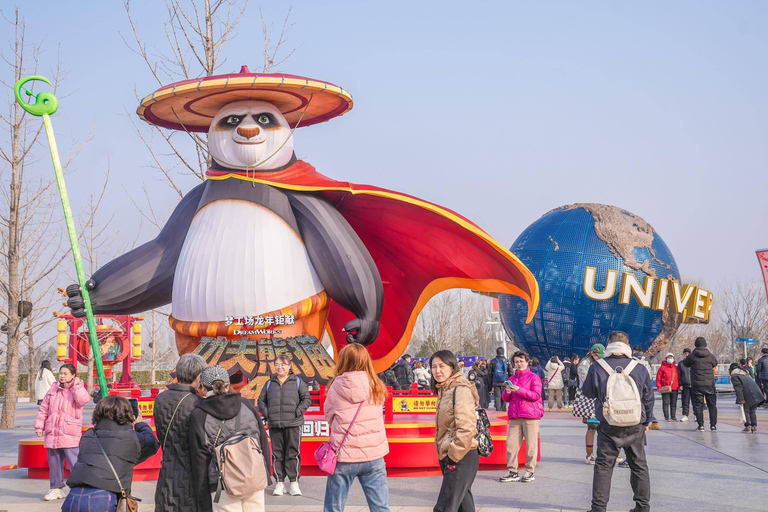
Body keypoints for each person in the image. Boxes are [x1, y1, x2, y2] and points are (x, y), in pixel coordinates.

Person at [582, 331, 654, 512]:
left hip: (608, 424)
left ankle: (598, 508)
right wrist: (646, 422)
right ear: (627, 345)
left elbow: (588, 393)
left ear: (609, 345)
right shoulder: (639, 368)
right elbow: (648, 398)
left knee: (604, 467)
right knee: (639, 466)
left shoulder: (598, 366)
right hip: (635, 424)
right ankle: (642, 507)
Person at [189, 365, 272, 512]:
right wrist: (265, 474)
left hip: (222, 486)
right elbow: (263, 442)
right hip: (253, 477)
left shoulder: (200, 415)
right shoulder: (246, 405)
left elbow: (200, 461)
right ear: (228, 385)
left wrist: (203, 498)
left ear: (202, 387)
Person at [323, 344, 390, 512]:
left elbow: (329, 417)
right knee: (380, 507)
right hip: (374, 455)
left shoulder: (335, 386)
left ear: (343, 361)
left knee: (334, 508)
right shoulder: (376, 384)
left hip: (344, 455)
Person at [62, 396, 160, 512]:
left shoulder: (88, 435)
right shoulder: (132, 438)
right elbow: (152, 444)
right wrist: (139, 423)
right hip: (102, 499)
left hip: (73, 498)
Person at [153, 353, 206, 512]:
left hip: (167, 470)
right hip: (191, 474)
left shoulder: (160, 399)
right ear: (198, 377)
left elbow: (162, 436)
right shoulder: (198, 403)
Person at [430, 350, 479, 511]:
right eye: (433, 367)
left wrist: (453, 455)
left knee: (443, 508)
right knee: (463, 507)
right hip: (450, 455)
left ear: (452, 367)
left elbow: (466, 427)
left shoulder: (460, 389)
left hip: (461, 456)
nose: (437, 371)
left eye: (442, 366)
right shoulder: (444, 389)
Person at [34, 363, 90, 501]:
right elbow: (43, 409)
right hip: (53, 432)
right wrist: (39, 426)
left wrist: (76, 386)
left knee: (74, 462)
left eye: (65, 373)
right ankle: (56, 488)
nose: (62, 376)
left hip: (69, 432)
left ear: (73, 375)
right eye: (61, 373)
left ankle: (80, 488)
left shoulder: (78, 389)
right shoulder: (53, 389)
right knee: (54, 462)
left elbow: (83, 400)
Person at [258, 353, 311, 496]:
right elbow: (261, 401)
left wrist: (297, 411)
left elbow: (306, 399)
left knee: (293, 453)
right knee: (277, 454)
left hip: (293, 424)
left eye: (283, 364)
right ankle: (279, 483)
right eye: (277, 364)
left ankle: (294, 483)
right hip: (275, 424)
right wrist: (267, 413)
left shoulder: (298, 381)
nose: (279, 367)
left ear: (289, 366)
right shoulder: (269, 383)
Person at [499, 351, 543, 484]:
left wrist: (519, 390)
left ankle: (530, 471)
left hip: (531, 416)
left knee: (531, 445)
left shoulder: (534, 377)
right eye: (516, 362)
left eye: (521, 361)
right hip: (515, 416)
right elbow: (506, 398)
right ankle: (513, 471)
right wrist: (507, 392)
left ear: (527, 362)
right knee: (511, 445)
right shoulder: (511, 379)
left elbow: (536, 395)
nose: (518, 364)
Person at [682, 337, 719, 431]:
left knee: (698, 405)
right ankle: (713, 425)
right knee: (712, 405)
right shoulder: (711, 356)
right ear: (705, 344)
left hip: (697, 384)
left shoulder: (692, 356)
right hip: (709, 384)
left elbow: (685, 364)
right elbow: (715, 363)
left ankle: (701, 425)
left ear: (695, 345)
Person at [578, 344, 604, 465]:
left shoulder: (600, 363)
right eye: (598, 355)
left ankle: (602, 453)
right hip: (589, 398)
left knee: (602, 427)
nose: (600, 358)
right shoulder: (584, 364)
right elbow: (586, 381)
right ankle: (590, 454)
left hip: (600, 398)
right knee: (592, 426)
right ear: (592, 353)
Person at [729, 362, 765, 433]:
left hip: (747, 393)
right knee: (753, 411)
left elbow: (738, 388)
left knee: (746, 410)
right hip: (757, 392)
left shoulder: (734, 376)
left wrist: (741, 399)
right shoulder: (745, 373)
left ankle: (748, 426)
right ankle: (754, 427)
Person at [656, 352, 679, 421]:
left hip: (675, 387)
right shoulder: (662, 368)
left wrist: (680, 385)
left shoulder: (676, 368)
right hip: (665, 387)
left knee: (673, 403)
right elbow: (658, 378)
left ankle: (673, 416)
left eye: (671, 357)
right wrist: (659, 386)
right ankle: (666, 417)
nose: (670, 359)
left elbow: (679, 377)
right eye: (669, 357)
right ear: (666, 359)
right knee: (666, 403)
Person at [489, 347, 512, 412]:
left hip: (496, 382)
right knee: (504, 395)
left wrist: (491, 382)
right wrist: (510, 383)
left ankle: (498, 410)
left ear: (497, 352)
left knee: (497, 397)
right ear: (503, 352)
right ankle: (504, 409)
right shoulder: (507, 361)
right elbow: (511, 373)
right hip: (505, 382)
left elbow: (489, 373)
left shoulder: (493, 361)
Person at [677, 348, 692, 421]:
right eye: (685, 353)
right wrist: (680, 384)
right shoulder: (681, 363)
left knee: (695, 401)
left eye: (688, 353)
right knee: (685, 401)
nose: (687, 355)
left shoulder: (694, 362)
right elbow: (679, 375)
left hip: (694, 384)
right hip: (685, 384)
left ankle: (696, 414)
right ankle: (685, 415)